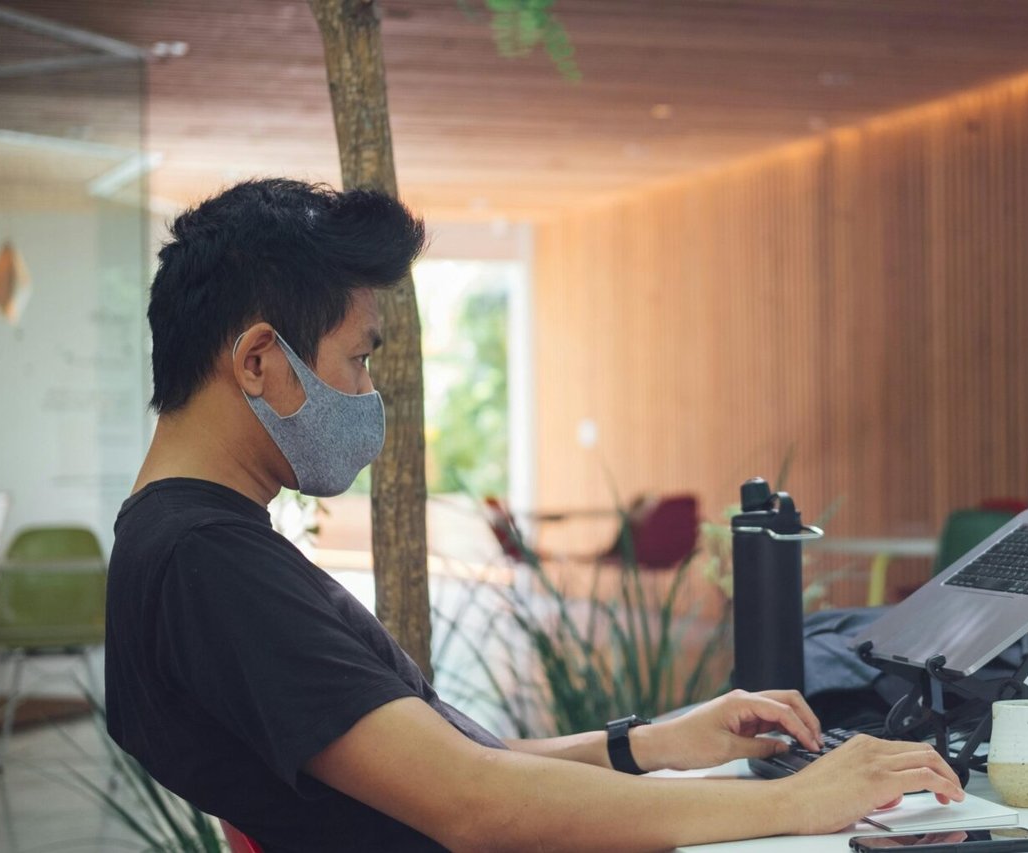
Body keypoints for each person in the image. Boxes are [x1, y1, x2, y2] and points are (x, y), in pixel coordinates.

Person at [105, 178, 963, 853]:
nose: (368, 393)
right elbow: (477, 808)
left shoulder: (187, 543)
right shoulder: (205, 562)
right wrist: (792, 800)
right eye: (358, 360)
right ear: (259, 360)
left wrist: (655, 743)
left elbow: (457, 767)